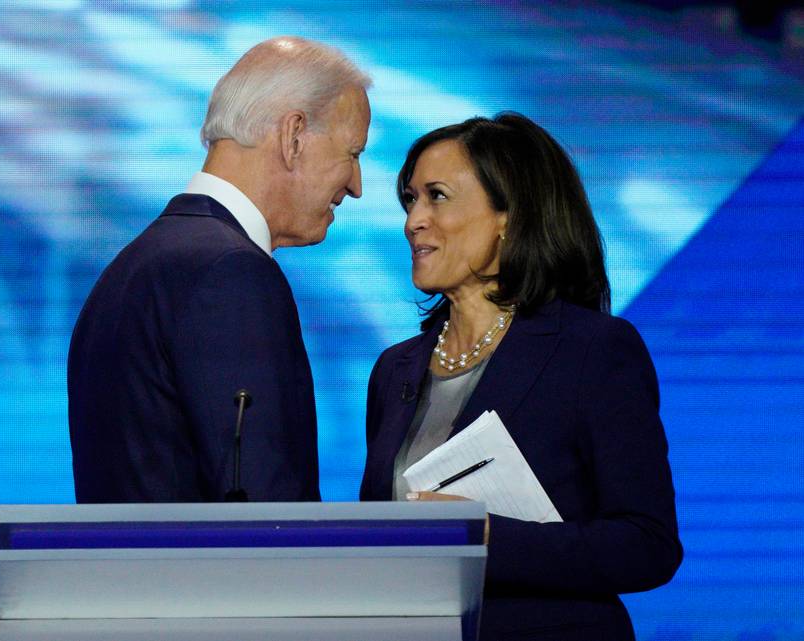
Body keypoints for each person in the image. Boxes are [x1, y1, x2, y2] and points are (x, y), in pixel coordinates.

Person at [360, 113, 681, 639]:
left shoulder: (593, 351)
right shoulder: (394, 368)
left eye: (436, 196)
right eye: (410, 199)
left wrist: (484, 537)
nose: (413, 220)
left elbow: (647, 545)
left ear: (509, 215)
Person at [69, 37, 371, 503]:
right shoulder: (230, 274)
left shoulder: (133, 267)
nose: (356, 186)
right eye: (352, 153)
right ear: (293, 137)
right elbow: (263, 513)